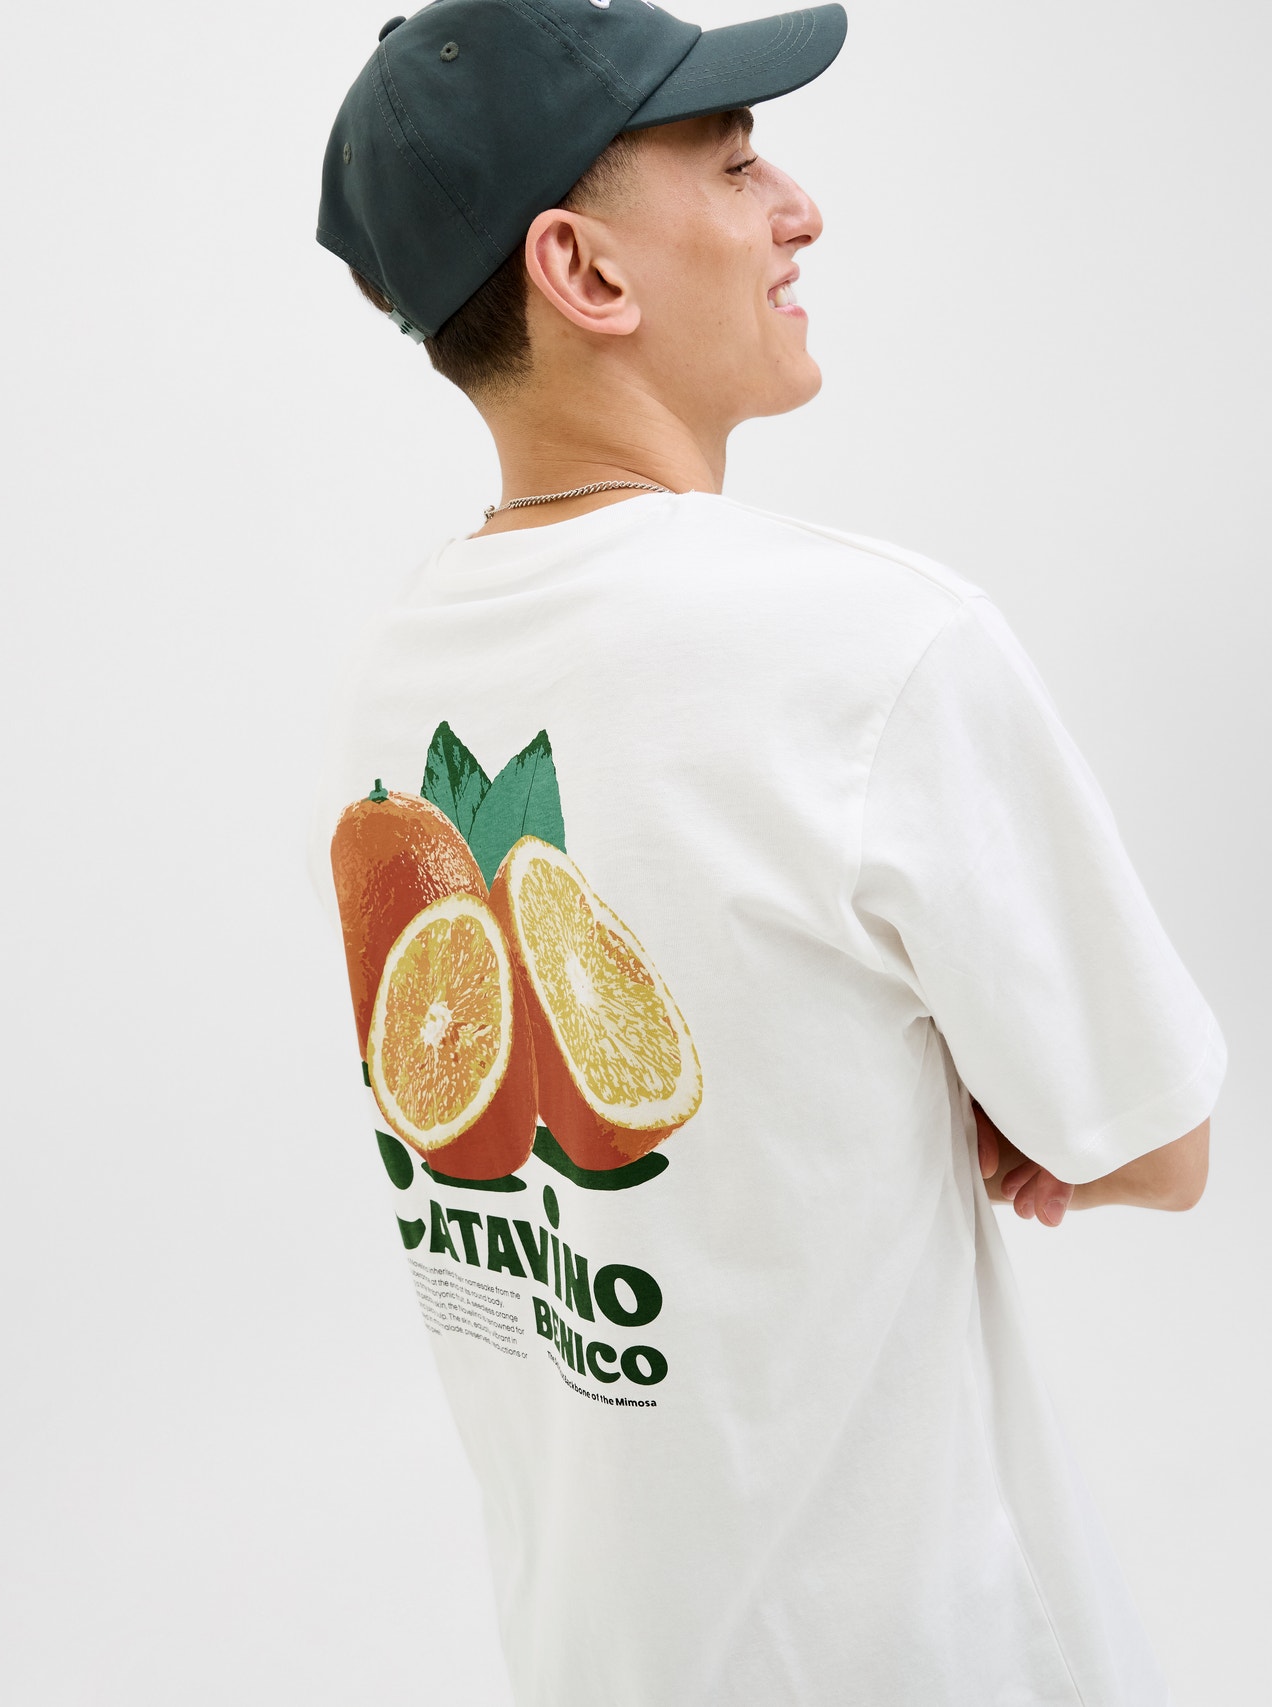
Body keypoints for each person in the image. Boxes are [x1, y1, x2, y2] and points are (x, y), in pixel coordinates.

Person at [309, 4, 1225, 1703]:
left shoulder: (387, 694)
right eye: (734, 168)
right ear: (583, 270)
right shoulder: (872, 649)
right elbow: (1161, 1141)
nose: (800, 207)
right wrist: (1005, 1103)